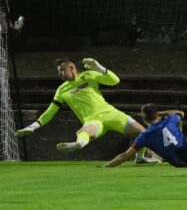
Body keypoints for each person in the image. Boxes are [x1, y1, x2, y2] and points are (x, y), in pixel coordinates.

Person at [16, 57, 157, 164]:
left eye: (62, 70)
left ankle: (139, 158)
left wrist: (98, 67)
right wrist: (33, 126)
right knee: (83, 132)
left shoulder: (89, 75)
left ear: (71, 68)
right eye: (58, 71)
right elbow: (50, 111)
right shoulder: (61, 90)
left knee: (143, 132)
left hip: (110, 113)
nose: (60, 73)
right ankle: (79, 144)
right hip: (93, 119)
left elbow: (115, 81)